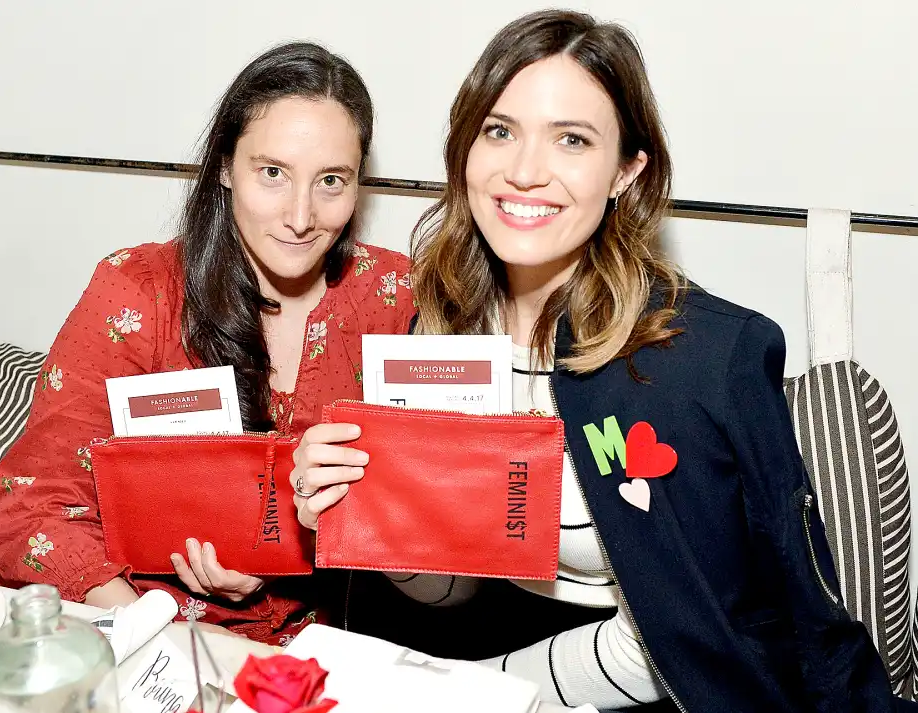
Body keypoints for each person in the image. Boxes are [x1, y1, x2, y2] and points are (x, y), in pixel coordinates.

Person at [288, 10, 917, 712]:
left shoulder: (700, 363)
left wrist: (471, 693)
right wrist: (370, 519)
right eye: (500, 130)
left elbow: (671, 640)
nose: (525, 171)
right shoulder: (438, 333)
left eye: (572, 140)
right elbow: (454, 584)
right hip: (492, 659)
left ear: (626, 170)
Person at [0, 41, 415, 645]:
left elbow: (418, 510)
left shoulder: (389, 295)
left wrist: (305, 539)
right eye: (272, 173)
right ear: (224, 167)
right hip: (136, 625)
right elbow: (32, 510)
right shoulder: (138, 295)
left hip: (315, 645)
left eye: (331, 181)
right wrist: (153, 633)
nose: (300, 215)